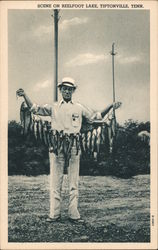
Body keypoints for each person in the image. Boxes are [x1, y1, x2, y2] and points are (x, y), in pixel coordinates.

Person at [17, 77, 121, 223]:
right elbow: (35, 108)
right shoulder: (53, 107)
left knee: (73, 182)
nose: (67, 91)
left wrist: (111, 106)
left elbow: (95, 117)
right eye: (64, 88)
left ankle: (74, 214)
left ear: (73, 90)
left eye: (70, 88)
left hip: (74, 145)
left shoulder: (79, 107)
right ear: (60, 90)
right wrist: (24, 95)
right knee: (55, 181)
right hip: (56, 145)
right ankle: (54, 214)